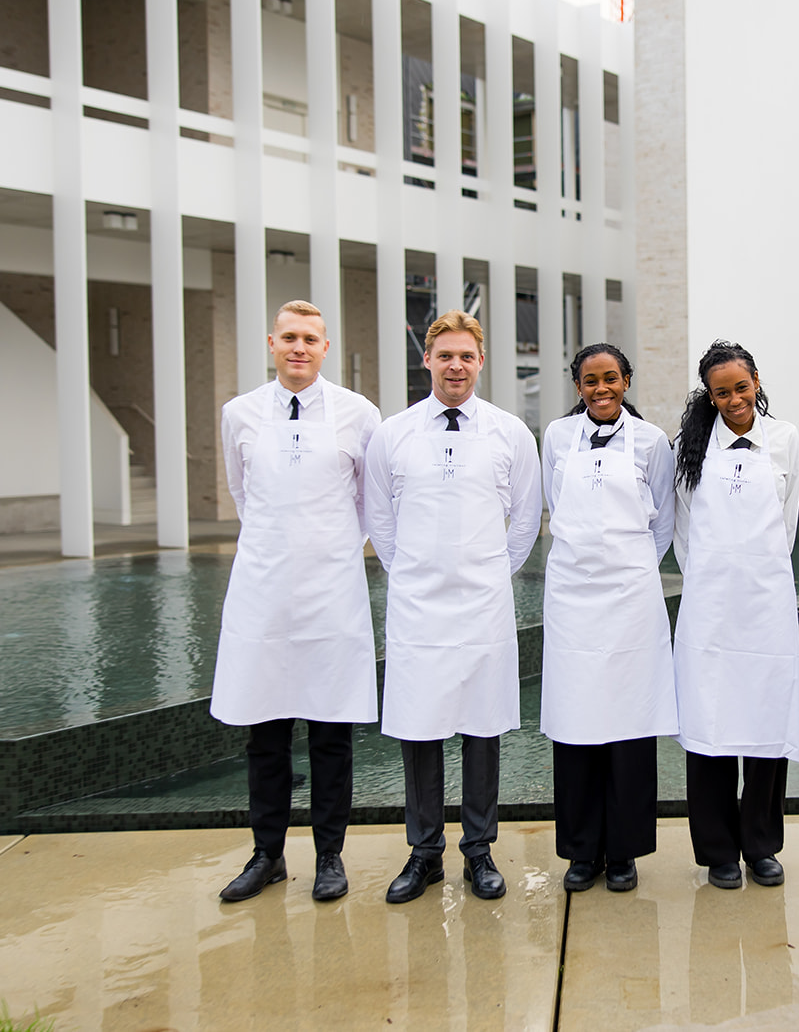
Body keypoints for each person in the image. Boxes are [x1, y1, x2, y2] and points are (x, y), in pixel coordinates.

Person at [363, 310, 542, 904]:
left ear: (481, 361)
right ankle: (424, 853)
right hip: (418, 606)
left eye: (466, 356)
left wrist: (488, 572)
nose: (456, 366)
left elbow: (526, 519)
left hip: (483, 604)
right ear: (427, 360)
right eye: (445, 356)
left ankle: (479, 850)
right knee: (420, 727)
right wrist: (415, 572)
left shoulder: (509, 432)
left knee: (482, 727)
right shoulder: (393, 433)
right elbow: (379, 518)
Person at [211, 299, 381, 903]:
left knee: (331, 732)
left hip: (331, 592)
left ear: (325, 347)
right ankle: (267, 855)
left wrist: (327, 551)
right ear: (272, 343)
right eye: (289, 338)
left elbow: (368, 503)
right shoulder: (239, 413)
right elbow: (244, 494)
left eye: (310, 339)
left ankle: (330, 855)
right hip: (263, 592)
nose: (299, 348)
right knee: (265, 732)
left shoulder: (359, 413)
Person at [540, 343, 678, 894]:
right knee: (575, 720)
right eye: (591, 380)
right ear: (578, 386)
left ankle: (623, 851)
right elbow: (555, 504)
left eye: (611, 378)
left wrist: (628, 565)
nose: (602, 388)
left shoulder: (652, 441)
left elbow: (663, 523)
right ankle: (582, 851)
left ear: (626, 381)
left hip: (630, 598)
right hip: (572, 595)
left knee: (629, 722)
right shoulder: (556, 436)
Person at [672, 341, 799, 889]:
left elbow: (788, 523)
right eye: (721, 392)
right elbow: (682, 532)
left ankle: (761, 844)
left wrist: (759, 574)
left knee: (766, 722)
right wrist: (713, 581)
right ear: (710, 394)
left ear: (756, 382)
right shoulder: (689, 446)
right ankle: (718, 851)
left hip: (766, 605)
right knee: (710, 724)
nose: (733, 399)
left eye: (741, 388)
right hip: (709, 608)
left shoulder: (785, 438)